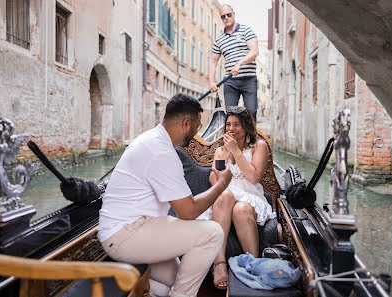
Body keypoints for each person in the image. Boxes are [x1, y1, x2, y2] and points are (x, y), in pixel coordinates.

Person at [98, 93, 233, 297]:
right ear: (186, 123)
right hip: (126, 234)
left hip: (127, 230)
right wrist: (221, 185)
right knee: (212, 233)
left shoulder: (151, 140)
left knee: (177, 279)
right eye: (197, 126)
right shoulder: (161, 152)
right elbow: (188, 211)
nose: (197, 131)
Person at [198, 106, 275, 290]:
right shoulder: (219, 151)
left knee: (241, 209)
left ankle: (253, 264)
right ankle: (219, 264)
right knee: (225, 194)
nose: (231, 129)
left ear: (246, 127)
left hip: (250, 197)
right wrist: (226, 154)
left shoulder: (259, 147)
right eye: (228, 125)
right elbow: (217, 181)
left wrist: (236, 151)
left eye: (236, 125)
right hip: (225, 198)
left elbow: (254, 177)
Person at [208, 4, 259, 121]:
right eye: (223, 16)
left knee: (251, 113)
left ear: (233, 15)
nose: (226, 18)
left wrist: (239, 63)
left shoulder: (246, 30)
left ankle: (250, 139)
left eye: (228, 15)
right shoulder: (219, 40)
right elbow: (213, 61)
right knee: (230, 115)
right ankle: (232, 139)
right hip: (230, 81)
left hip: (249, 79)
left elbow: (255, 51)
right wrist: (211, 82)